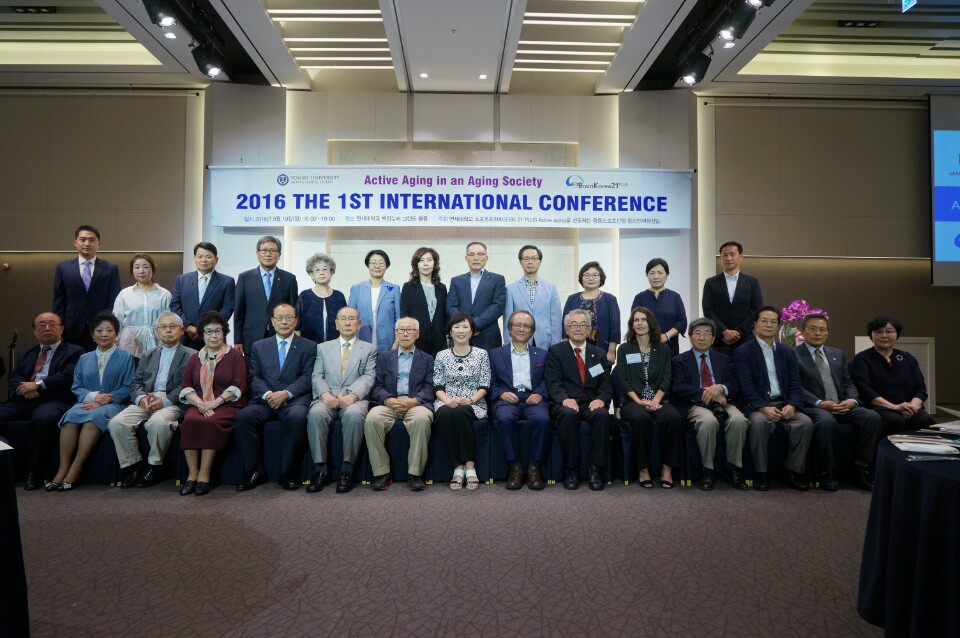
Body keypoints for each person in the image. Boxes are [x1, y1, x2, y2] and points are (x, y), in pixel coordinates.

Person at [107, 312, 195, 488]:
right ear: (156, 331)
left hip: (174, 401)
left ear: (182, 330)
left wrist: (165, 401)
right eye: (163, 327)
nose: (168, 330)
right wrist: (141, 399)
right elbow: (136, 383)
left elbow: (189, 384)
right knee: (117, 423)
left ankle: (154, 466)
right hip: (147, 399)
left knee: (158, 423)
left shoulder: (192, 355)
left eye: (172, 326)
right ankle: (134, 465)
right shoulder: (147, 354)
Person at [234, 304, 316, 492]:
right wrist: (268, 394)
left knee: (297, 418)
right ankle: (255, 471)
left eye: (289, 318)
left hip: (293, 401)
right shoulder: (259, 346)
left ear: (296, 321)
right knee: (243, 417)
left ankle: (287, 473)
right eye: (280, 318)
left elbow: (308, 377)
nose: (284, 322)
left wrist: (286, 393)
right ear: (272, 321)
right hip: (265, 400)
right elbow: (253, 376)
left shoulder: (309, 346)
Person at [49, 311, 135, 491]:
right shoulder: (84, 358)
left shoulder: (125, 357)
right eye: (99, 330)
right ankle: (62, 470)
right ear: (92, 335)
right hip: (86, 402)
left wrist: (103, 401)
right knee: (70, 420)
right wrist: (94, 397)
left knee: (92, 420)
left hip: (114, 404)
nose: (104, 334)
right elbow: (76, 386)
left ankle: (75, 469)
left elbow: (128, 387)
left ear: (116, 334)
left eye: (109, 330)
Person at [796, 314, 882, 492]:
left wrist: (851, 401)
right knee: (826, 421)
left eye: (822, 330)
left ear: (827, 333)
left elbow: (848, 382)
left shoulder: (837, 354)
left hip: (842, 404)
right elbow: (795, 386)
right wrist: (820, 403)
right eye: (813, 329)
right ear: (803, 331)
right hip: (814, 406)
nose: (818, 333)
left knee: (872, 417)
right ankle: (826, 472)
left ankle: (860, 468)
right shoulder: (793, 354)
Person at [733, 306, 814, 491]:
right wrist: (762, 407)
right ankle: (761, 473)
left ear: (778, 326)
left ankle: (793, 472)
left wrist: (792, 405)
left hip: (784, 403)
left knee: (805, 423)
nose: (768, 325)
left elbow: (796, 383)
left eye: (773, 322)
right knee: (759, 423)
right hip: (757, 406)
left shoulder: (788, 352)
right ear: (755, 324)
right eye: (764, 321)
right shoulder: (743, 351)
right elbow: (746, 386)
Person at [0, 312, 82, 491]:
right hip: (25, 399)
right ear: (35, 331)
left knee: (43, 419)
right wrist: (25, 389)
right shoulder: (26, 353)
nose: (47, 328)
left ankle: (35, 473)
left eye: (52, 324)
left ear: (61, 329)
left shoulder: (75, 352)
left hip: (54, 400)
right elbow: (14, 377)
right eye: (42, 325)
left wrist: (37, 385)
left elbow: (67, 376)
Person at [671, 317, 749, 491]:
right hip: (695, 404)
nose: (702, 337)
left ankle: (733, 468)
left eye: (707, 334)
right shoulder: (679, 360)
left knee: (739, 420)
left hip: (723, 402)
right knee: (708, 422)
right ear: (690, 337)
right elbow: (678, 388)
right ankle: (708, 470)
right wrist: (708, 394)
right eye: (697, 333)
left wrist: (721, 388)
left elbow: (734, 384)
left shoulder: (724, 359)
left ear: (713, 338)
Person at [306, 306, 377, 494]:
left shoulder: (369, 348)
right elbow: (317, 375)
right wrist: (325, 394)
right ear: (336, 324)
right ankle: (320, 470)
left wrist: (353, 395)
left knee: (354, 415)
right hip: (327, 397)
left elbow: (369, 376)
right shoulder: (322, 347)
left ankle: (347, 470)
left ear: (358, 324)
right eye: (343, 319)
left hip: (354, 399)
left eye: (352, 319)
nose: (347, 322)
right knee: (315, 413)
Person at [178, 311, 248, 496]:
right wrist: (200, 404)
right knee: (190, 421)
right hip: (199, 403)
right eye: (209, 332)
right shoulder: (195, 358)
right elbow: (186, 386)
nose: (213, 336)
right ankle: (192, 474)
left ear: (224, 332)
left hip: (227, 404)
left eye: (217, 331)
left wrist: (214, 403)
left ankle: (204, 473)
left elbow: (239, 384)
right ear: (202, 334)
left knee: (210, 421)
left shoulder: (235, 355)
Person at [545, 309, 613, 491]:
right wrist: (564, 399)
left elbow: (605, 383)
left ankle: (596, 469)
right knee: (568, 415)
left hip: (590, 402)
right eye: (573, 325)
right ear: (567, 329)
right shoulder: (556, 352)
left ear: (589, 329)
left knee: (602, 415)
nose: (578, 328)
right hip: (566, 402)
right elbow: (553, 382)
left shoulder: (599, 353)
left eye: (583, 325)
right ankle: (571, 470)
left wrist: (601, 399)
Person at [363, 317, 435, 492]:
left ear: (417, 334)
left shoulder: (427, 359)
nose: (405, 333)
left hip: (416, 404)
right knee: (372, 419)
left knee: (422, 419)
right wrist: (388, 399)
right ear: (396, 333)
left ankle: (415, 474)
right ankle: (382, 473)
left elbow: (430, 387)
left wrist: (415, 400)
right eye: (401, 330)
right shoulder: (384, 358)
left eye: (410, 330)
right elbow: (377, 386)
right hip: (390, 403)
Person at [616, 307, 683, 489]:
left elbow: (667, 378)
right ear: (632, 325)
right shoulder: (624, 349)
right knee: (640, 419)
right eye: (636, 320)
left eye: (643, 319)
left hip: (659, 399)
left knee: (673, 418)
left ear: (651, 323)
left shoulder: (663, 349)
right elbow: (623, 380)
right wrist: (639, 401)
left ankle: (667, 468)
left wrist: (656, 400)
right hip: (632, 401)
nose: (639, 323)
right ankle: (643, 469)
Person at [489, 310, 550, 491]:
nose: (521, 329)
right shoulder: (495, 354)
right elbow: (489, 381)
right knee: (505, 418)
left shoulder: (543, 354)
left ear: (532, 331)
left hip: (533, 398)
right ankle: (515, 467)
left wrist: (540, 394)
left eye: (526, 326)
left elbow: (549, 380)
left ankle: (534, 468)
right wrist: (501, 394)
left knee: (543, 419)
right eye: (517, 325)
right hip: (507, 398)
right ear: (509, 329)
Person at [433, 313, 491, 491]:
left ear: (472, 331)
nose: (461, 330)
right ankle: (457, 467)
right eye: (456, 327)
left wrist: (471, 399)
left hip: (474, 402)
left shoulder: (481, 354)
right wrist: (447, 400)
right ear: (450, 331)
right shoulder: (441, 355)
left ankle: (470, 465)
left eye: (465, 327)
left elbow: (485, 384)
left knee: (460, 412)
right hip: (446, 400)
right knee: (444, 413)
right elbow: (437, 385)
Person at [852, 316, 936, 434]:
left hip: (909, 408)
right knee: (895, 421)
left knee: (927, 421)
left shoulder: (908, 358)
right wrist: (895, 407)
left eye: (889, 331)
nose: (884, 335)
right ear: (871, 335)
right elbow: (864, 390)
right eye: (878, 332)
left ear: (897, 334)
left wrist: (912, 407)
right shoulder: (862, 358)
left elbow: (920, 388)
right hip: (880, 408)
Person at [52, 225, 122, 351]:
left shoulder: (110, 268)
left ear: (99, 243)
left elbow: (113, 301)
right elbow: (59, 302)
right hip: (71, 328)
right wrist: (58, 328)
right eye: (83, 240)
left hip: (101, 329)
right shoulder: (63, 268)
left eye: (92, 240)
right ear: (75, 243)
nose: (87, 243)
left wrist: (111, 327)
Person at [234, 235, 299, 353]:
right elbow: (239, 311)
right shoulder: (245, 278)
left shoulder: (289, 279)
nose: (268, 254)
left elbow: (293, 309)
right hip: (251, 336)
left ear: (279, 255)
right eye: (264, 250)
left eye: (272, 250)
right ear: (257, 254)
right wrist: (238, 340)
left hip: (280, 335)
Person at [170, 242, 236, 351]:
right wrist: (188, 326)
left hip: (214, 337)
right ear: (194, 258)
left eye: (208, 257)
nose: (203, 260)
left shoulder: (227, 281)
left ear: (216, 259)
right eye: (200, 256)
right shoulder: (182, 280)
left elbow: (227, 309)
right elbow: (174, 306)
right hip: (186, 336)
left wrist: (208, 329)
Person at [701, 241, 762, 355]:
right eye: (725, 255)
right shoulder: (711, 282)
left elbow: (756, 309)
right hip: (719, 341)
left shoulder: (752, 282)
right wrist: (724, 331)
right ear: (721, 258)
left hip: (745, 340)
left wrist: (739, 332)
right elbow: (708, 310)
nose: (728, 258)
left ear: (741, 256)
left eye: (732, 254)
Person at [447, 241, 506, 350]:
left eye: (480, 254)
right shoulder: (456, 281)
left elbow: (498, 306)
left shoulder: (497, 279)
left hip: (488, 337)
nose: (476, 258)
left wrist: (474, 324)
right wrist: (463, 326)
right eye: (472, 254)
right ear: (466, 258)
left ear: (486, 258)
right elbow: (451, 306)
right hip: (460, 336)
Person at [112, 253, 172, 359]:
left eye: (145, 267)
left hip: (156, 342)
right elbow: (117, 320)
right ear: (132, 271)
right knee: (130, 368)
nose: (141, 271)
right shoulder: (125, 294)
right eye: (137, 267)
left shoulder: (164, 294)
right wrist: (115, 340)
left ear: (152, 269)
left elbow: (170, 320)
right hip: (129, 342)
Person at [503, 245, 562, 349]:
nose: (530, 262)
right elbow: (508, 321)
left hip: (545, 340)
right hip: (519, 341)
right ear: (520, 262)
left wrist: (556, 347)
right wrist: (509, 346)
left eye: (534, 258)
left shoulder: (551, 288)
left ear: (540, 261)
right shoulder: (510, 289)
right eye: (526, 259)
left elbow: (556, 321)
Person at [563, 262, 621, 365]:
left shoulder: (610, 299)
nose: (591, 278)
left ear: (600, 278)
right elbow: (565, 326)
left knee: (600, 374)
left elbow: (615, 328)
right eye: (587, 275)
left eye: (595, 275)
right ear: (581, 278)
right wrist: (565, 350)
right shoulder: (572, 299)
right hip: (575, 349)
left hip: (602, 348)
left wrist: (611, 351)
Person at [632, 258, 687, 357]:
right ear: (647, 275)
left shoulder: (675, 297)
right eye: (652, 273)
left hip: (670, 347)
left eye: (660, 273)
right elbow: (635, 322)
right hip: (644, 348)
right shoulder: (640, 298)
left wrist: (666, 336)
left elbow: (682, 322)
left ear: (667, 275)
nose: (656, 276)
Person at [348, 249, 401, 353]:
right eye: (373, 263)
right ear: (368, 265)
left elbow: (399, 319)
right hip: (361, 341)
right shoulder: (356, 289)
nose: (377, 266)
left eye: (381, 263)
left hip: (388, 343)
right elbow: (350, 318)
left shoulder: (393, 289)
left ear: (386, 266)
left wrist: (397, 342)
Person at [400, 247, 448, 355]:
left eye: (429, 260)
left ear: (434, 264)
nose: (425, 264)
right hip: (417, 340)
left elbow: (444, 315)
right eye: (421, 260)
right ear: (416, 265)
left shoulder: (442, 288)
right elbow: (404, 316)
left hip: (439, 341)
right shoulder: (409, 287)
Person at [295, 253, 347, 344]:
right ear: (312, 274)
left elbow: (345, 323)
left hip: (335, 346)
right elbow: (296, 326)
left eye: (325, 269)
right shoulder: (305, 296)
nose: (321, 273)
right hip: (309, 346)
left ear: (331, 273)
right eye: (317, 270)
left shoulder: (339, 296)